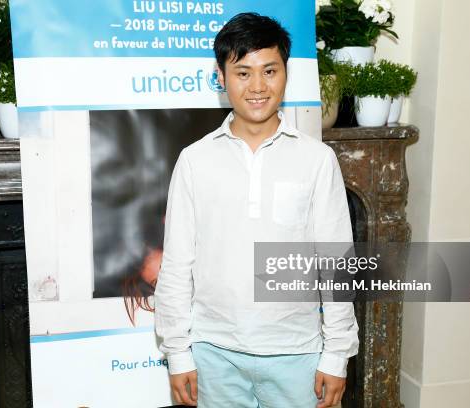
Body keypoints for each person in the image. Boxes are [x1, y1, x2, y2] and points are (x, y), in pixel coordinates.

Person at [154, 12, 359, 408]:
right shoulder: (194, 160)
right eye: (243, 73)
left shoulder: (317, 159)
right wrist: (177, 352)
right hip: (213, 353)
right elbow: (178, 264)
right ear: (221, 77)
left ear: (286, 72)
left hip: (297, 353)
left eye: (269, 70)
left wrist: (336, 355)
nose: (258, 86)